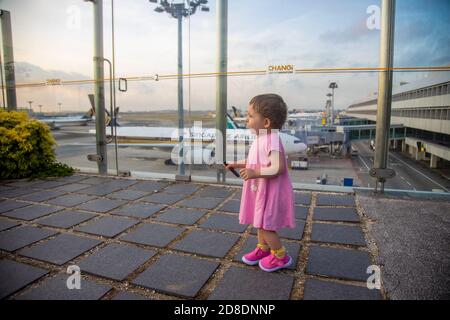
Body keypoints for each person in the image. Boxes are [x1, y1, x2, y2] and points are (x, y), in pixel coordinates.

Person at [225, 93, 295, 272]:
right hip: (260, 190)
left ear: (265, 123)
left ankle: (280, 256)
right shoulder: (261, 138)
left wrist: (254, 172)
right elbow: (254, 161)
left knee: (267, 225)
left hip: (270, 192)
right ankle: (263, 249)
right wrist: (238, 163)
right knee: (260, 223)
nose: (246, 120)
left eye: (250, 116)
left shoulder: (272, 140)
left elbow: (278, 167)